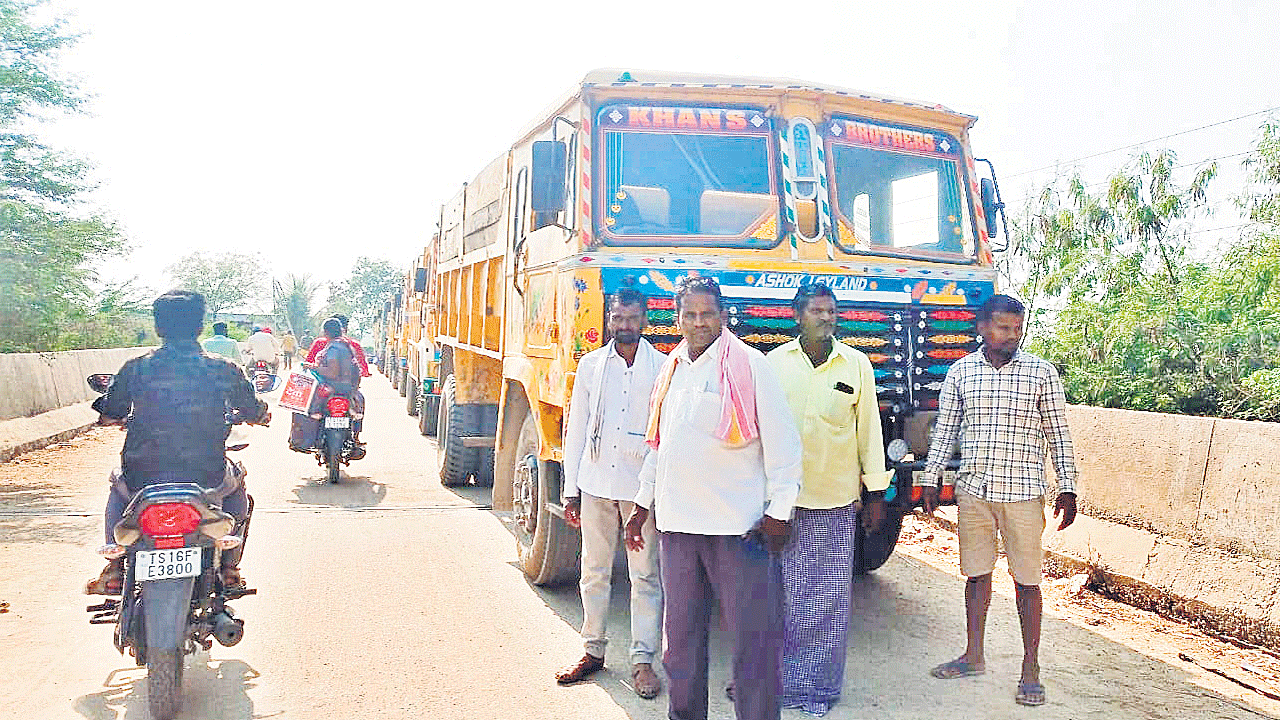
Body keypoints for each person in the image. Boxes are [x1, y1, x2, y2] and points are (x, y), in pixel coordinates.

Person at [623, 275, 802, 720]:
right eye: (690, 314)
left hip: (738, 531)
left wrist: (780, 512)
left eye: (707, 314)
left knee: (752, 645)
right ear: (677, 317)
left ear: (723, 316)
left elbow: (784, 445)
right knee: (680, 645)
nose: (698, 322)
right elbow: (660, 446)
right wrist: (640, 506)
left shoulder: (750, 365)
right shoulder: (672, 369)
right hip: (680, 529)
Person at [917, 293, 1079, 708]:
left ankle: (1031, 669)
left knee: (1027, 581)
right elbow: (946, 429)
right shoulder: (961, 373)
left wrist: (1068, 487)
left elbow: (1058, 434)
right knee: (976, 575)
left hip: (1024, 494)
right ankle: (973, 655)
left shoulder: (1041, 373)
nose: (1012, 336)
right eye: (1004, 328)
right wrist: (930, 479)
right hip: (975, 492)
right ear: (982, 328)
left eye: (1018, 328)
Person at [85, 290, 269, 595]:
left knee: (118, 488)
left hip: (144, 472)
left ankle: (115, 567)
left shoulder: (136, 367)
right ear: (200, 327)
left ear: (159, 327)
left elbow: (110, 410)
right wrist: (261, 415)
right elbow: (251, 407)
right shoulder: (222, 368)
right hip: (206, 473)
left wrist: (109, 417)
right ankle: (229, 567)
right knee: (238, 483)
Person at [765, 283, 892, 716]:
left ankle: (816, 691)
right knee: (776, 597)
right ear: (798, 315)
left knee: (828, 603)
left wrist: (876, 494)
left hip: (834, 505)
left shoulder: (856, 365)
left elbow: (869, 433)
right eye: (817, 310)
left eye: (831, 311)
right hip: (780, 504)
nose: (826, 317)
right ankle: (771, 682)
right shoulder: (773, 365)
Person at [556, 286, 666, 699]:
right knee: (594, 571)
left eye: (632, 318)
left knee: (645, 577)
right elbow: (578, 428)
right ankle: (592, 650)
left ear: (645, 319)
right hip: (597, 484)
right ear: (609, 320)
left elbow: (661, 435)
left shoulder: (662, 366)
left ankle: (642, 663)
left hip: (640, 490)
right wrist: (570, 490)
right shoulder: (591, 365)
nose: (625, 325)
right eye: (618, 318)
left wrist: (649, 496)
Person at [306, 317, 366, 444]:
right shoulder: (348, 345)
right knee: (360, 402)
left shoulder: (333, 347)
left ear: (325, 332)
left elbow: (332, 372)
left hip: (331, 387)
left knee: (310, 401)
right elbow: (359, 368)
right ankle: (355, 437)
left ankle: (310, 432)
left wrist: (314, 367)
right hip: (348, 389)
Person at [305, 314, 371, 379]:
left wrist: (314, 367)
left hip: (327, 385)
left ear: (326, 331)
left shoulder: (320, 343)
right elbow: (364, 372)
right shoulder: (354, 345)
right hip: (350, 386)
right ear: (344, 329)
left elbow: (308, 363)